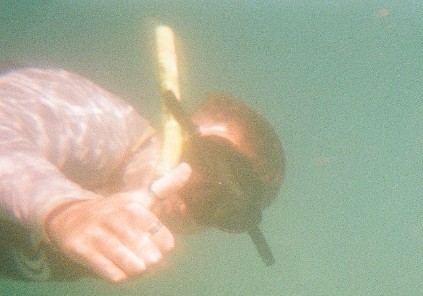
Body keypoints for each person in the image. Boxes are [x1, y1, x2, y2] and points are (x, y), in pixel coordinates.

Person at [0, 64, 285, 282]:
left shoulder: (118, 240)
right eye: (206, 161)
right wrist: (64, 210)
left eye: (221, 206)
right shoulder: (102, 125)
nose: (185, 204)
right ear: (174, 130)